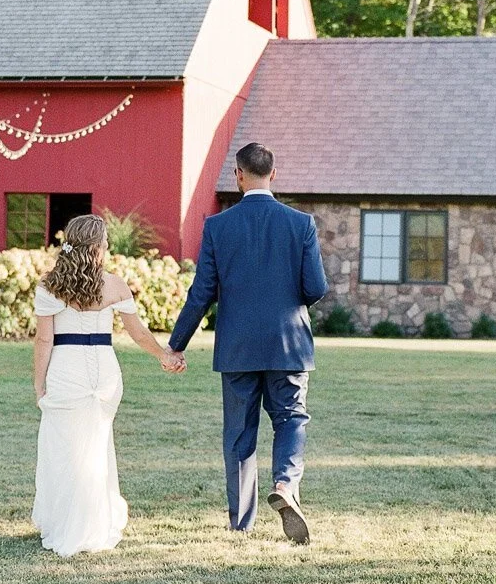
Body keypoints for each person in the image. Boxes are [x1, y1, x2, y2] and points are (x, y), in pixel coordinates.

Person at [163, 141, 329, 544]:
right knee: (291, 417)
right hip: (289, 343)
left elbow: (201, 293)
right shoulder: (301, 224)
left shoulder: (218, 227)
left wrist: (177, 343)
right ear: (274, 174)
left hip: (237, 347)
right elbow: (316, 288)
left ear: (238, 175)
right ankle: (285, 484)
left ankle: (241, 521)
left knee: (239, 431)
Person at [31, 214, 177, 557]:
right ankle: (93, 522)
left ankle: (69, 523)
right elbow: (137, 332)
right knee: (96, 446)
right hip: (105, 373)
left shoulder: (49, 284)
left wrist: (39, 383)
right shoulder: (115, 285)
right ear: (98, 246)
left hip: (66, 372)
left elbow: (44, 340)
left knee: (65, 449)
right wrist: (163, 355)